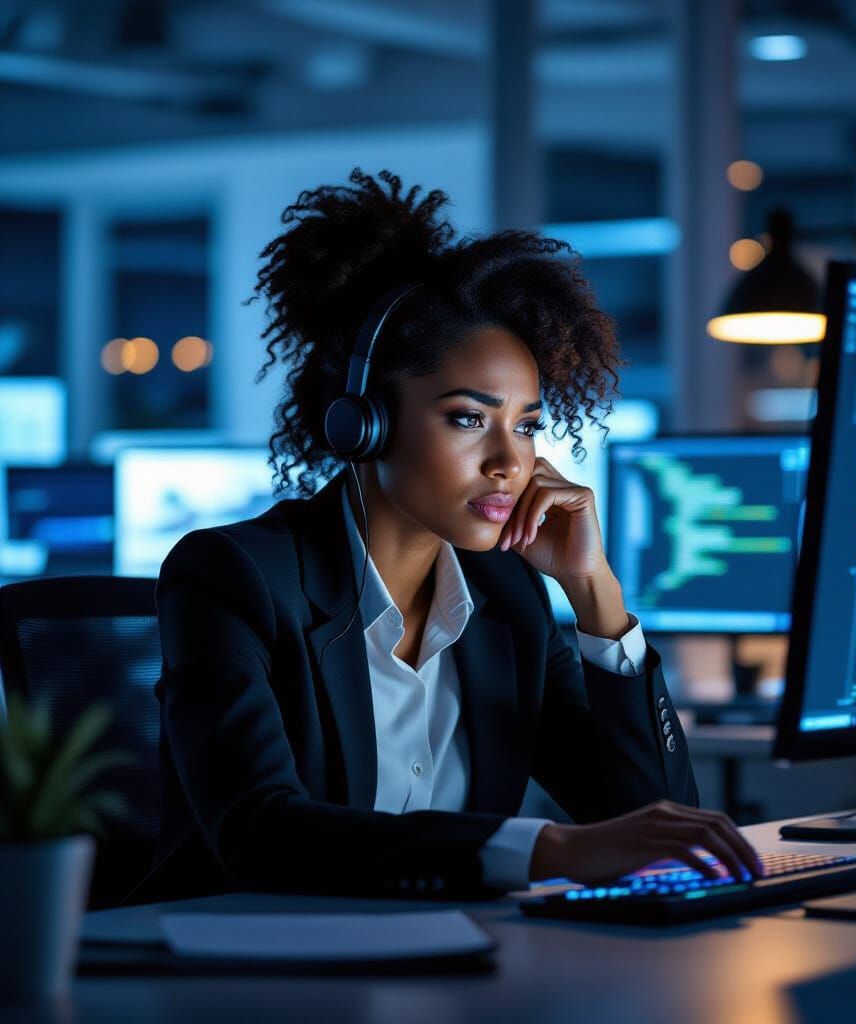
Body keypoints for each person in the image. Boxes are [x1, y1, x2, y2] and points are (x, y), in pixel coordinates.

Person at [142, 168, 763, 902]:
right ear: (363, 421)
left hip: (448, 971)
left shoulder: (507, 600)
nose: (509, 461)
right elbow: (262, 835)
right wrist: (545, 849)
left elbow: (653, 823)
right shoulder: (235, 577)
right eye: (469, 418)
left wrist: (597, 598)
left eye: (527, 426)